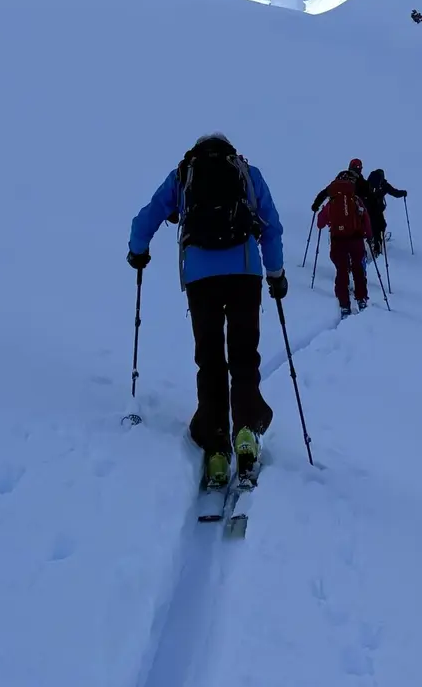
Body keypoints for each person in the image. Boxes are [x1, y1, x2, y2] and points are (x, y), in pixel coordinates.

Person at [128, 133, 288, 491]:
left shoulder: (183, 174)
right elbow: (271, 226)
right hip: (245, 273)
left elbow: (148, 216)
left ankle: (216, 445)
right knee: (245, 355)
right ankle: (246, 431)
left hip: (201, 278)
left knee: (211, 359)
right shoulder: (247, 172)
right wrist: (276, 274)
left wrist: (138, 251)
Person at [312, 159, 372, 314]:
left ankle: (344, 304)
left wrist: (317, 207)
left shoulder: (332, 201)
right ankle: (361, 299)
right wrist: (369, 236)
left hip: (338, 240)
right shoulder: (356, 199)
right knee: (358, 268)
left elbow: (320, 223)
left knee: (342, 270)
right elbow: (365, 218)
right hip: (356, 238)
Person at [361, 167, 408, 259]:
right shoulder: (384, 185)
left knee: (370, 226)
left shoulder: (367, 184)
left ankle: (370, 239)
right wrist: (404, 193)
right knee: (380, 227)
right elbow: (395, 193)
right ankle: (377, 248)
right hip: (378, 211)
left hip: (367, 210)